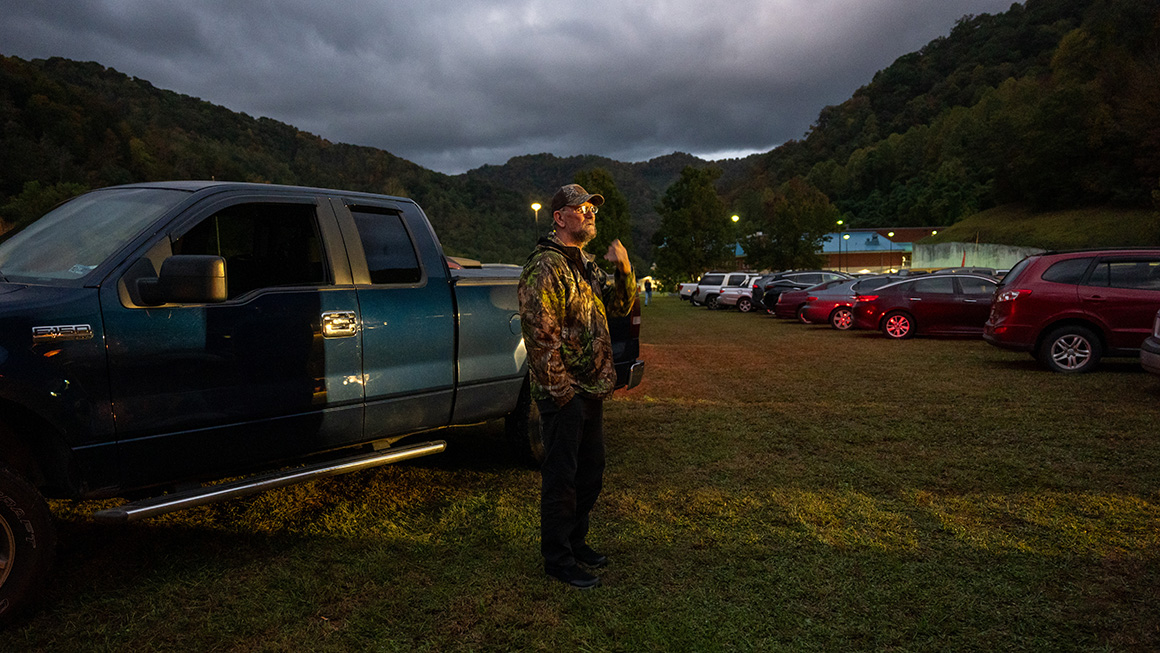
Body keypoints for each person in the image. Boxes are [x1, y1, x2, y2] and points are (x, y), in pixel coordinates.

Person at [518, 183, 636, 589]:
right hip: (564, 393)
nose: (589, 213)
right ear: (559, 217)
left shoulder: (582, 262)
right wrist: (561, 393)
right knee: (561, 478)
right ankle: (558, 559)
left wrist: (623, 268)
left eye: (592, 209)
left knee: (591, 472)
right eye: (580, 208)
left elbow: (619, 306)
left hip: (590, 387)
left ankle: (575, 541)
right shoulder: (545, 266)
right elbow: (540, 335)